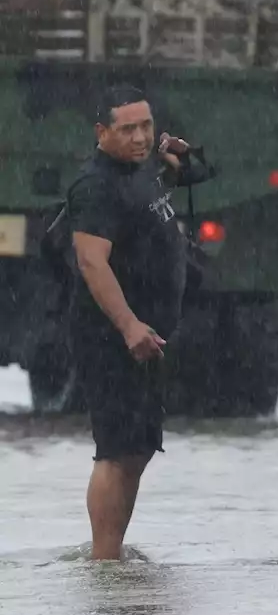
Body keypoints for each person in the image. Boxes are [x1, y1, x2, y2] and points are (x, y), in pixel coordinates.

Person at [66, 85, 205, 560]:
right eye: (128, 129)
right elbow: (91, 263)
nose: (140, 136)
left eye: (146, 125)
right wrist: (128, 326)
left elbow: (200, 174)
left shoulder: (141, 168)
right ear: (102, 132)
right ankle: (104, 564)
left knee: (137, 448)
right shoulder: (96, 186)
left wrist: (180, 157)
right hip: (110, 339)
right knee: (114, 449)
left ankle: (113, 553)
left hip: (148, 338)